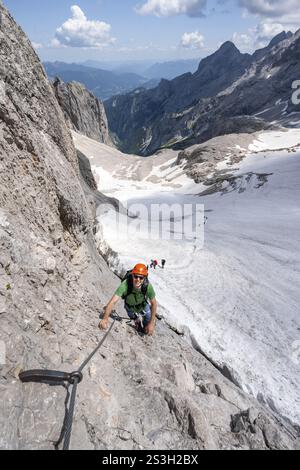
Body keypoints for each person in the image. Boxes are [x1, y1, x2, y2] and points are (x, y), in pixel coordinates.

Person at [99, 264, 157, 336]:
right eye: (136, 276)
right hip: (130, 306)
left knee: (148, 320)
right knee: (133, 317)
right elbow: (113, 301)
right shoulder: (126, 284)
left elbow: (154, 303)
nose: (138, 279)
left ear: (145, 278)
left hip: (143, 305)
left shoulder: (147, 286)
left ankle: (145, 327)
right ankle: (137, 322)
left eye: (141, 278)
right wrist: (105, 318)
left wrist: (151, 324)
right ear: (132, 275)